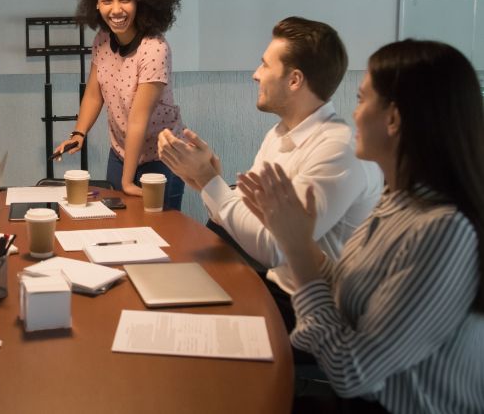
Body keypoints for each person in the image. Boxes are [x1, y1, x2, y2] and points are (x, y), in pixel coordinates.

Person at [238, 39, 484, 413]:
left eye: (361, 99)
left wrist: (299, 249)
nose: (353, 115)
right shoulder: (396, 200)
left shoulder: (443, 230)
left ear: (393, 119)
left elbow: (352, 372)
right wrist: (295, 239)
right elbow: (350, 286)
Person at [158, 17, 382, 339]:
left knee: (189, 329)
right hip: (276, 285)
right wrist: (203, 180)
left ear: (294, 80)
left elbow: (275, 247)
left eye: (264, 65)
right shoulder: (278, 133)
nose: (255, 74)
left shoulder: (337, 150)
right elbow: (247, 215)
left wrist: (209, 181)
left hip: (314, 310)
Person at [52, 0, 185, 210]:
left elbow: (138, 119)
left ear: (141, 1)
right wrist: (79, 133)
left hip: (162, 158)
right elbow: (94, 93)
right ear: (96, 4)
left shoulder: (155, 48)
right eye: (107, 0)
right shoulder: (102, 40)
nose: (116, 10)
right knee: (119, 223)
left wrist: (127, 182)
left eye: (125, 0)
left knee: (160, 231)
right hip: (121, 152)